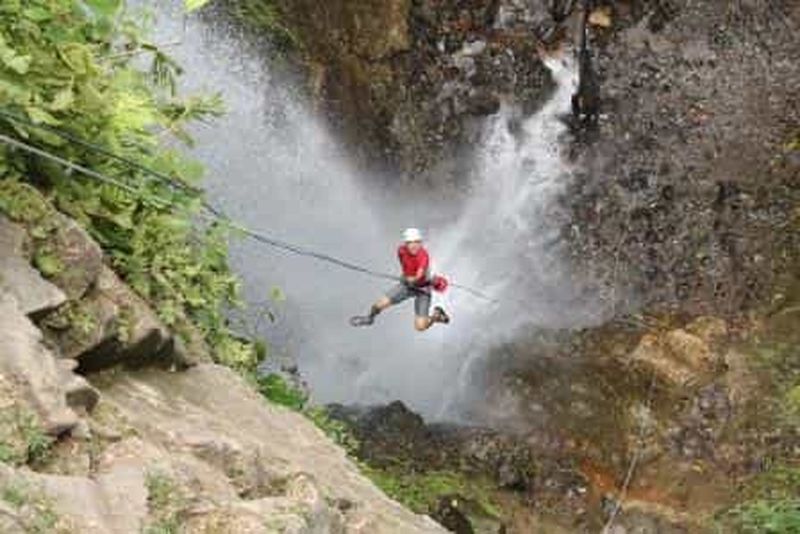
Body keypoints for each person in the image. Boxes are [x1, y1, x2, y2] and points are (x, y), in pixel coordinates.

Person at [351, 228, 450, 331]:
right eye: (410, 243)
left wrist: (411, 279)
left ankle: (436, 316)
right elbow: (405, 265)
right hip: (407, 285)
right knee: (378, 305)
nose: (413, 245)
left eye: (416, 242)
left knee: (420, 327)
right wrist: (405, 276)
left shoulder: (423, 256)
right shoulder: (401, 251)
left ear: (420, 243)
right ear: (405, 243)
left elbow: (419, 275)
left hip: (423, 290)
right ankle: (369, 318)